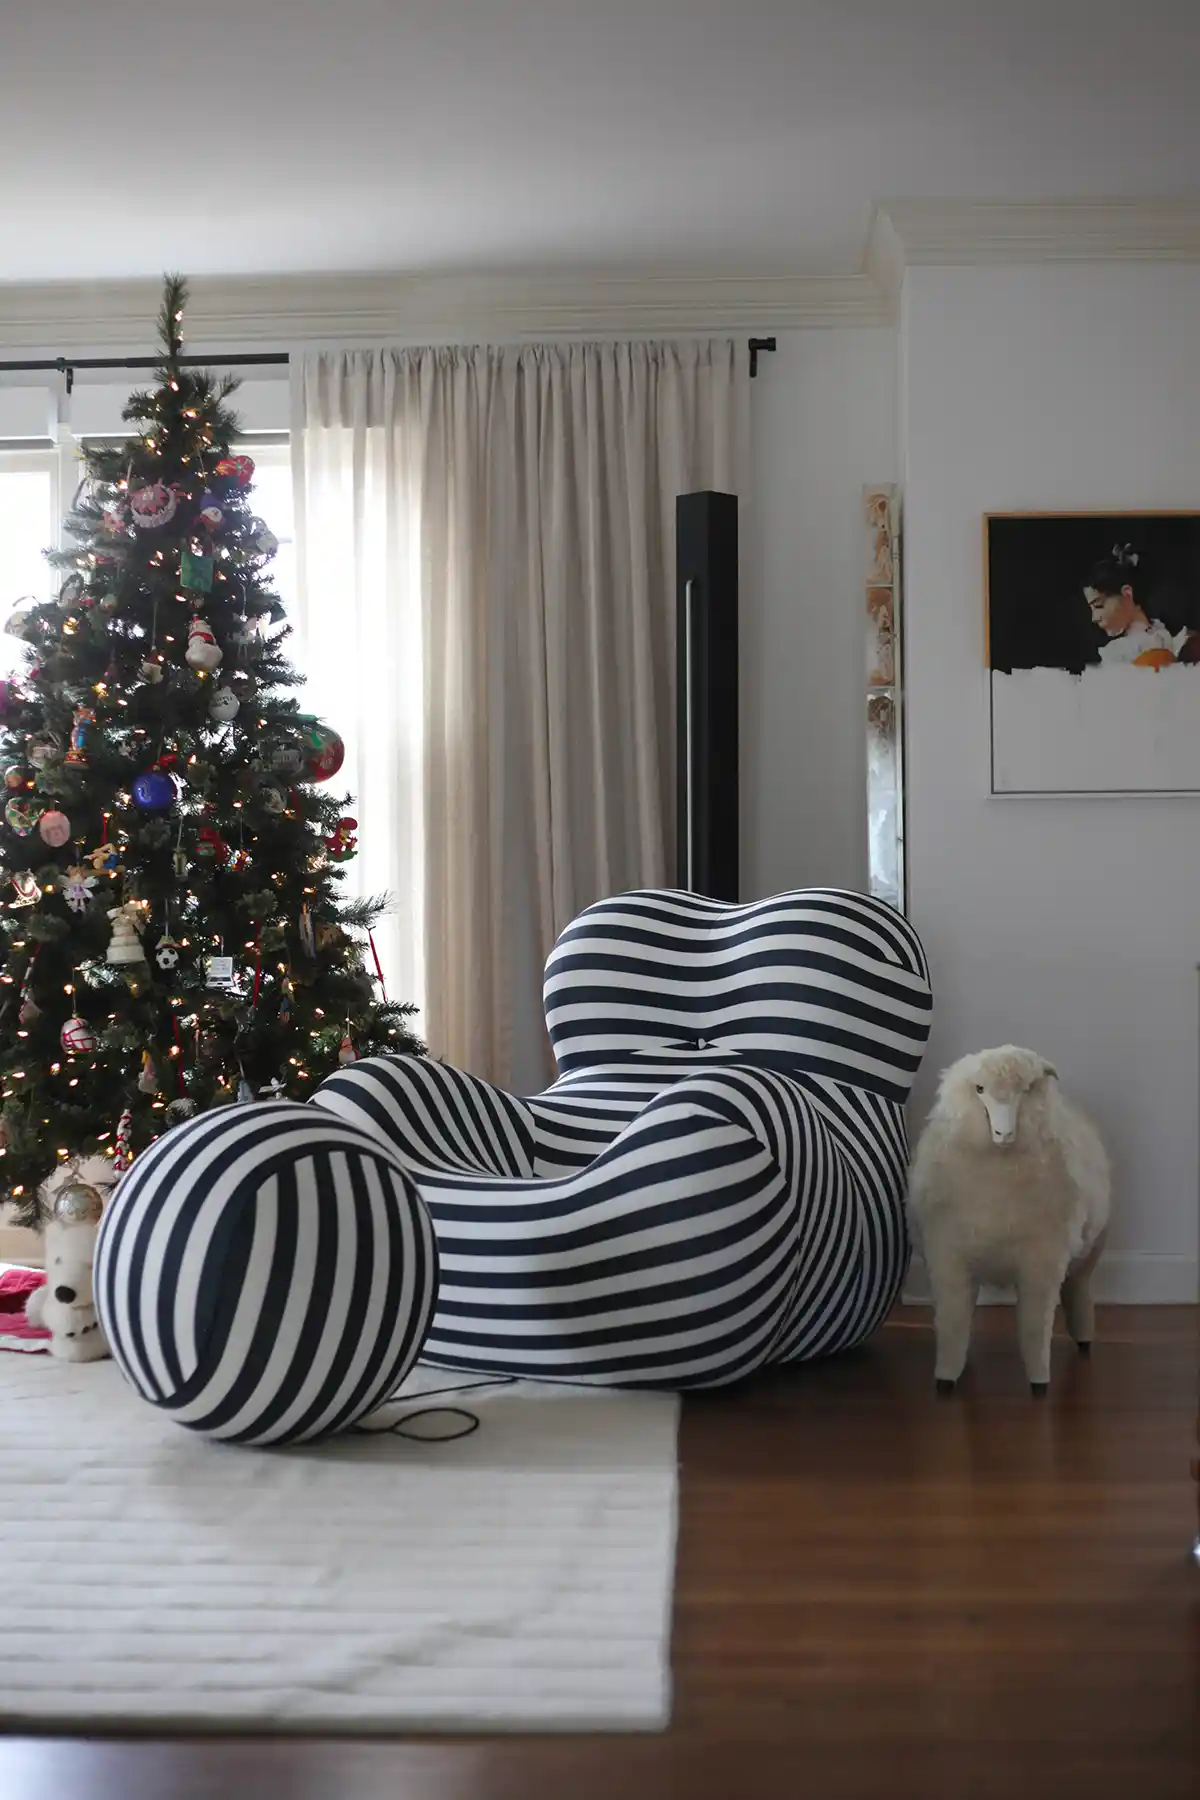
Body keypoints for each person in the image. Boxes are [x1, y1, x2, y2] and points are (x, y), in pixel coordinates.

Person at [1082, 544, 1178, 667]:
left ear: (1127, 594)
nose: (1094, 618)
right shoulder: (1116, 652)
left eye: (1099, 605)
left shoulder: (1164, 635)